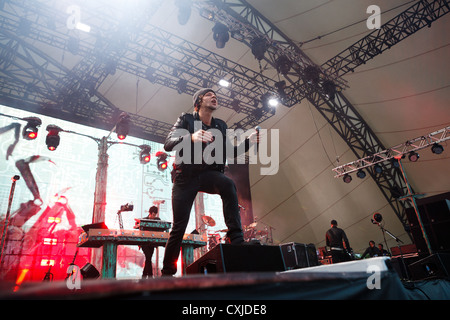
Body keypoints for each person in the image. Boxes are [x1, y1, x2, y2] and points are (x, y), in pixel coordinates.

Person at [161, 88, 259, 276]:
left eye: (215, 95)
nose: (214, 97)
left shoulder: (220, 125)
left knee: (228, 184)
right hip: (185, 177)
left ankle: (237, 239)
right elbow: (168, 143)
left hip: (208, 175)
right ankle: (167, 272)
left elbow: (229, 151)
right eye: (209, 95)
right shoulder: (186, 120)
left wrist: (250, 142)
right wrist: (191, 136)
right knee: (179, 226)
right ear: (198, 101)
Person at [141, 206, 160, 278]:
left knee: (148, 259)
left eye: (155, 215)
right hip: (144, 243)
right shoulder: (144, 220)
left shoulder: (157, 220)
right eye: (153, 214)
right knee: (148, 257)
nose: (154, 216)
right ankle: (150, 276)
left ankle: (144, 276)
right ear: (150, 213)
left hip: (152, 243)